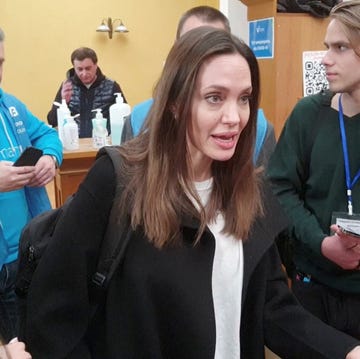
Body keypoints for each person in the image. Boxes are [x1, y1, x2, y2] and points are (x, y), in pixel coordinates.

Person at [20, 27, 360, 359]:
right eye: (214, 98)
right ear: (175, 103)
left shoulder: (249, 192)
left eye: (244, 98)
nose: (235, 117)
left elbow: (272, 308)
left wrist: (346, 350)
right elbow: (54, 316)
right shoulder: (117, 181)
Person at [268, 0, 360, 340]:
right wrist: (321, 243)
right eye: (326, 47)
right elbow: (280, 189)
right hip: (313, 289)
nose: (325, 59)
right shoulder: (308, 115)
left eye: (340, 48)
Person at [122, 5, 276, 167]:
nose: (233, 118)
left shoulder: (258, 128)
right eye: (191, 44)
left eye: (244, 98)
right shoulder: (138, 119)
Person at [0, 27, 63, 343]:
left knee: (22, 342)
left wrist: (50, 159)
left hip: (22, 258)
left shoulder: (9, 105)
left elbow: (47, 134)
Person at [47, 47, 127, 138]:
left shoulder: (111, 86)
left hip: (103, 142)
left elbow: (125, 119)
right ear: (74, 67)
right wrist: (63, 101)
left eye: (88, 68)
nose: (84, 74)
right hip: (74, 143)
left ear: (96, 65)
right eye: (80, 69)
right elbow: (52, 121)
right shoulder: (67, 87)